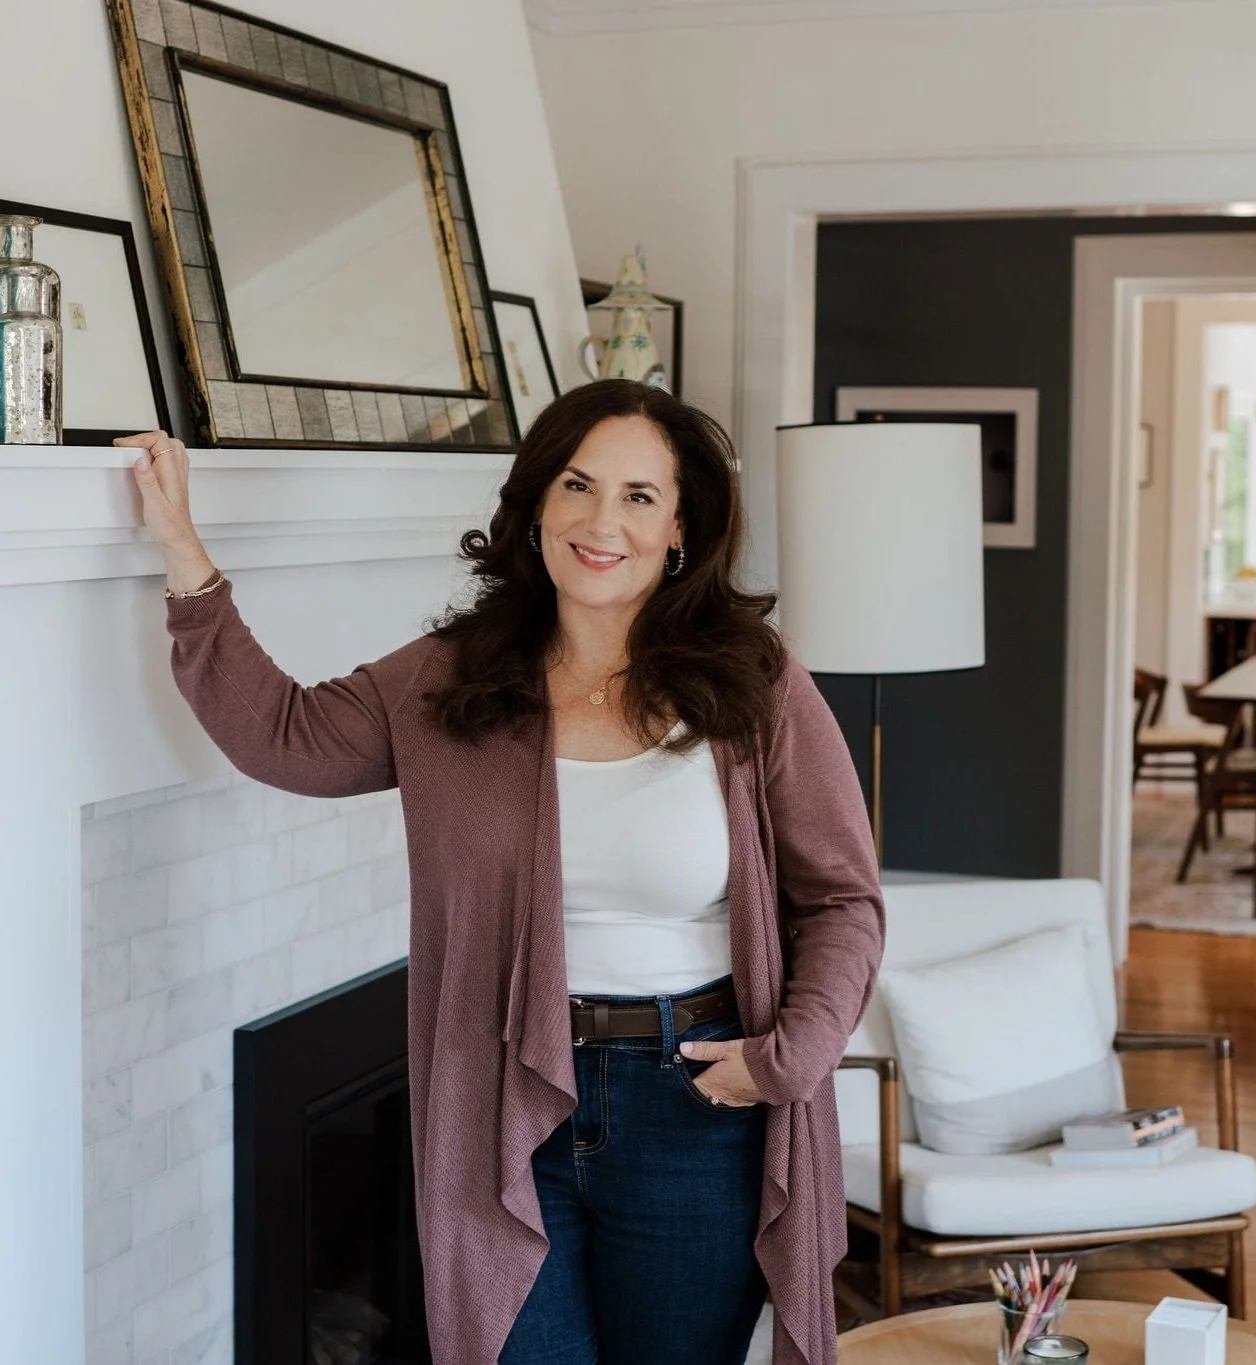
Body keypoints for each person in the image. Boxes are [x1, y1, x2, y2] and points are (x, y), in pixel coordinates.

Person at [120, 379, 884, 1365]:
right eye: (577, 484)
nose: (600, 521)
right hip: (503, 1094)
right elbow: (288, 738)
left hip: (697, 1099)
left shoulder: (754, 685)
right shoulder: (453, 676)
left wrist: (785, 1058)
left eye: (639, 496)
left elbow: (842, 900)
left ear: (681, 529)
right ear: (536, 507)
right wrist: (185, 555)